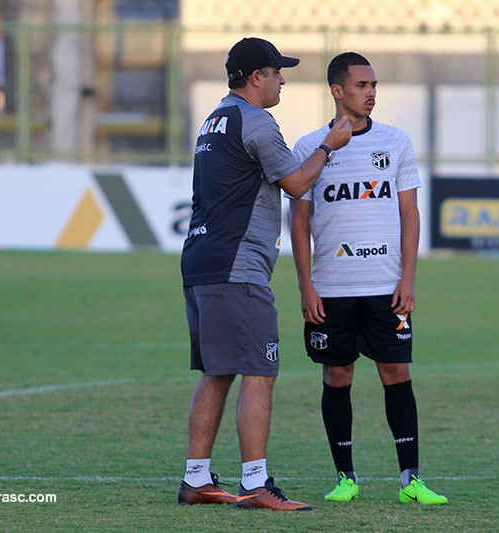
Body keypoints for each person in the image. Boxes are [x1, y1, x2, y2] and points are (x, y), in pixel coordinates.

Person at [177, 38, 351, 511]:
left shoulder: (215, 119)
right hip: (238, 265)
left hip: (201, 257)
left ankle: (196, 479)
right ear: (256, 77)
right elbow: (296, 183)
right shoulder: (257, 121)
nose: (283, 80)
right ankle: (255, 483)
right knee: (260, 369)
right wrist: (328, 145)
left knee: (217, 371)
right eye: (277, 72)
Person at [290, 52, 447, 505]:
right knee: (337, 376)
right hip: (332, 288)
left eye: (374, 85)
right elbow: (299, 223)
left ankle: (411, 481)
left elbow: (409, 213)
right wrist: (306, 285)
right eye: (361, 85)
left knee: (396, 372)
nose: (371, 92)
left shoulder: (396, 142)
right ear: (337, 91)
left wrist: (409, 278)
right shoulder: (309, 147)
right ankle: (346, 478)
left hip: (385, 286)